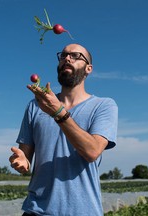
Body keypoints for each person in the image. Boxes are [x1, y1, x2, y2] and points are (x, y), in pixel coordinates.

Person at [9, 43, 118, 216]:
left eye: (75, 56)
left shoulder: (103, 106)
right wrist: (22, 161)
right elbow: (26, 157)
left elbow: (93, 151)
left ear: (89, 68)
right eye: (64, 55)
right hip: (36, 211)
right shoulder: (36, 106)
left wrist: (58, 112)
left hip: (82, 211)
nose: (67, 58)